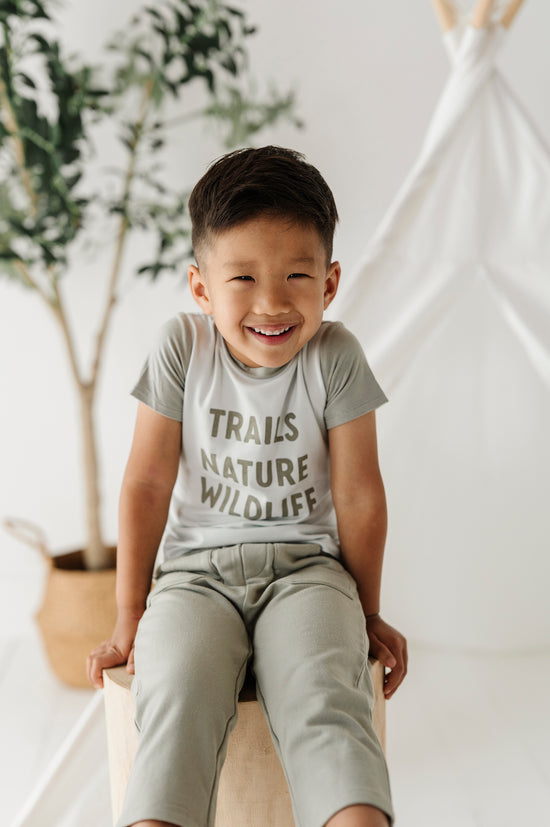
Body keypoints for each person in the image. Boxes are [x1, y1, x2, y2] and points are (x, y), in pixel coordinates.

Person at [88, 146, 407, 827]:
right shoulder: (182, 346)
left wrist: (367, 612)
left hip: (309, 576)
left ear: (330, 282)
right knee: (175, 690)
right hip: (193, 580)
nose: (271, 301)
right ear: (201, 287)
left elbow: (359, 496)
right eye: (242, 278)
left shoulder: (336, 356)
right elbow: (146, 482)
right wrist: (127, 613)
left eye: (297, 274)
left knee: (327, 697)